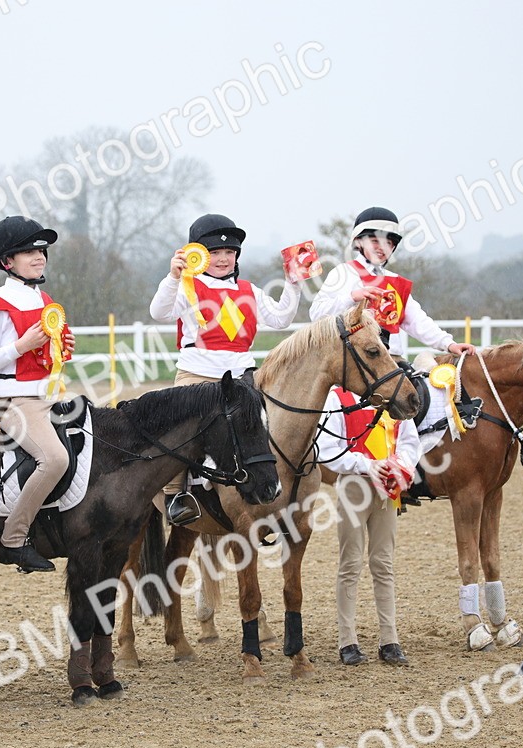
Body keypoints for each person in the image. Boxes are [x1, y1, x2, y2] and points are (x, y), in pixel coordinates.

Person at [149, 213, 301, 524]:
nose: (222, 259)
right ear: (198, 255)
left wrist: (293, 282)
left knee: (267, 426)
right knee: (176, 428)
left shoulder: (250, 289)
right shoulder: (186, 286)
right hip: (197, 376)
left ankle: (272, 488)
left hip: (242, 379)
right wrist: (173, 277)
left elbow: (281, 319)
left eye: (229, 253)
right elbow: (159, 313)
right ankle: (176, 494)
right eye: (215, 253)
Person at [0, 215, 75, 573]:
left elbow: (44, 354)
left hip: (48, 395)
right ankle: (14, 539)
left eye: (41, 250)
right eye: (28, 251)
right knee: (55, 460)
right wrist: (20, 346)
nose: (39, 256)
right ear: (7, 261)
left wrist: (61, 346)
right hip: (12, 401)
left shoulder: (43, 299)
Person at [317, 385, 422, 666]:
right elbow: (327, 449)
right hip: (355, 485)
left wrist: (400, 465)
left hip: (388, 487)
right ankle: (347, 641)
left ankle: (390, 640)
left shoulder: (394, 396)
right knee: (350, 563)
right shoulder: (337, 398)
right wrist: (365, 465)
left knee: (383, 564)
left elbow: (410, 442)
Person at [310, 207, 475, 359]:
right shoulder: (344, 272)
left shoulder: (395, 280)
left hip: (392, 362)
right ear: (359, 242)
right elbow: (317, 314)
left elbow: (416, 320)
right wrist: (352, 297)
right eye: (375, 241)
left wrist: (449, 344)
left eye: (388, 243)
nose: (382, 247)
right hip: (354, 364)